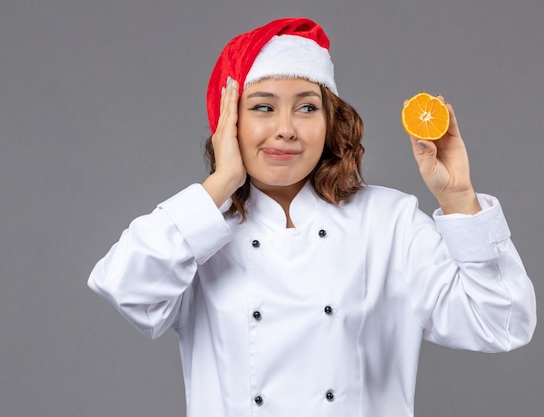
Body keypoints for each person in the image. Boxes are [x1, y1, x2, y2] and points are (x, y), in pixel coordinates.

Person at [88, 17, 536, 417]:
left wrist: (458, 198)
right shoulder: (199, 233)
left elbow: (501, 323)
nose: (286, 128)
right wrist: (221, 183)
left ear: (330, 124)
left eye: (306, 107)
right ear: (228, 124)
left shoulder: (388, 223)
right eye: (262, 107)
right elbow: (125, 287)